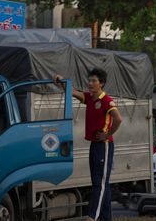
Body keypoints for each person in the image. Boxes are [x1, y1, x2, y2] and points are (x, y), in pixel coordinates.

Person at [54, 68, 122, 221]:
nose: (90, 83)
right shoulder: (90, 97)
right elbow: (73, 92)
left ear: (101, 83)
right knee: (102, 183)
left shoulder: (105, 100)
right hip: (94, 145)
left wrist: (108, 134)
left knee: (100, 183)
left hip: (104, 145)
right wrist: (62, 81)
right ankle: (105, 218)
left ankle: (92, 216)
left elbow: (118, 119)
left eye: (94, 81)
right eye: (89, 80)